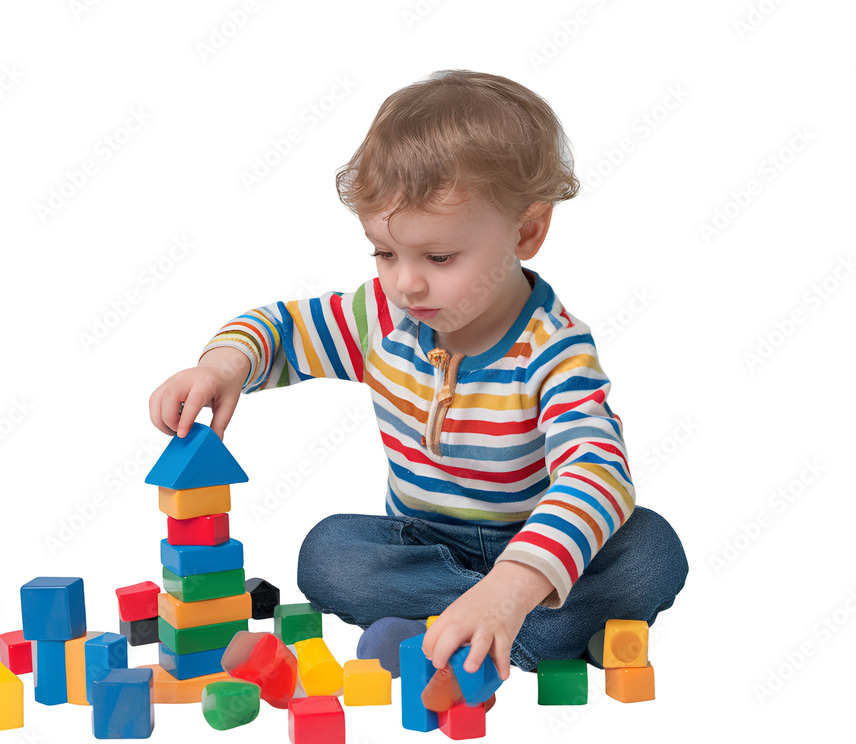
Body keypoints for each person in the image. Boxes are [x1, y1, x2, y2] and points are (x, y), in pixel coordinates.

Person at [148, 69, 688, 681]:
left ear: (526, 231)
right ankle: (483, 628)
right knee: (328, 553)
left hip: (544, 552)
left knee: (651, 552)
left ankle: (497, 623)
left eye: (438, 257)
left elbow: (598, 473)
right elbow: (284, 328)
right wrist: (221, 367)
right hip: (423, 544)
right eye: (385, 253)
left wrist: (512, 585)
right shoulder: (382, 320)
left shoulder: (552, 351)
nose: (406, 282)